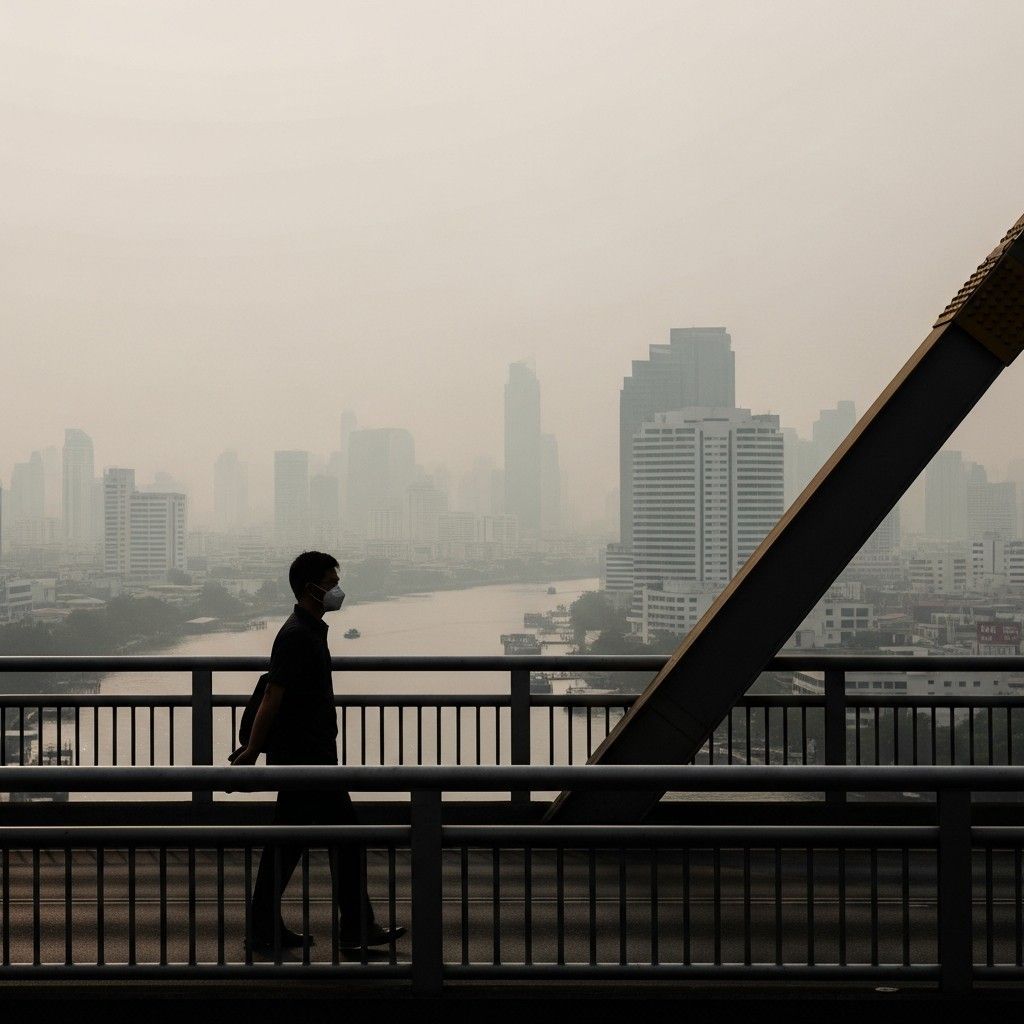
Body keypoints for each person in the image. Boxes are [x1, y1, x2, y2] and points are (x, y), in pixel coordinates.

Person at [229, 550, 405, 954]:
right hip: (306, 758)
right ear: (311, 588)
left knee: (295, 842)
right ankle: (354, 928)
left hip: (310, 755)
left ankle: (271, 927)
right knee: (341, 839)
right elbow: (273, 694)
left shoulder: (306, 630)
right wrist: (252, 749)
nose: (337, 590)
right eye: (331, 583)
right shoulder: (297, 636)